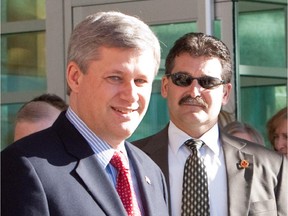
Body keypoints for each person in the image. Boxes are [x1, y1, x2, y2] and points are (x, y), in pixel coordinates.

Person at [1, 11, 169, 216]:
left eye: (140, 81)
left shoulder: (151, 172)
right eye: (115, 78)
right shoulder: (24, 167)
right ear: (75, 77)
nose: (131, 95)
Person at [133, 32, 287, 216]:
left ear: (225, 93)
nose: (195, 91)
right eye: (183, 79)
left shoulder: (272, 166)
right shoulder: (132, 161)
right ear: (165, 86)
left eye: (208, 82)